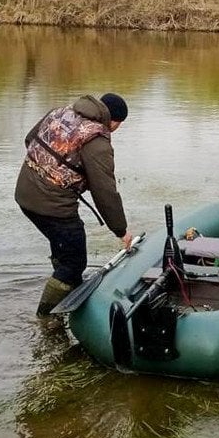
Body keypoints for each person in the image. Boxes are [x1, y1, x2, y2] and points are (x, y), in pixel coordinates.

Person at [16, 92, 133, 315]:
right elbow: (105, 192)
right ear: (114, 122)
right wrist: (121, 230)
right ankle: (47, 317)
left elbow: (30, 140)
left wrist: (53, 171)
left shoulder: (61, 112)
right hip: (52, 206)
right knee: (74, 262)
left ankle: (65, 289)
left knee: (63, 248)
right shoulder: (97, 141)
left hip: (24, 193)